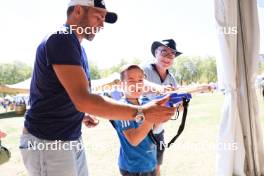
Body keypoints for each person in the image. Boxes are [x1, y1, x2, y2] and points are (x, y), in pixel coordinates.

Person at [19, 1, 176, 176]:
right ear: (78, 10)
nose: (102, 24)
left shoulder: (75, 46)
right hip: (47, 141)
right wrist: (142, 112)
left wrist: (80, 114)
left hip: (68, 138)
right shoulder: (62, 37)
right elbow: (84, 100)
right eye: (98, 16)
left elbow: (61, 95)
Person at [142, 39, 182, 176]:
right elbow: (136, 86)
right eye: (163, 52)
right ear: (155, 53)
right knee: (141, 168)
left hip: (158, 130)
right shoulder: (144, 71)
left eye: (171, 55)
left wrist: (181, 103)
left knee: (157, 165)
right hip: (141, 130)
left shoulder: (171, 78)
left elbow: (178, 105)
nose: (167, 58)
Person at [112, 65, 159, 176]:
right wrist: (152, 116)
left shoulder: (146, 101)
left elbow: (155, 129)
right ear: (122, 85)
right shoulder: (121, 107)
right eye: (131, 80)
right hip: (134, 168)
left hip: (150, 162)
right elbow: (134, 139)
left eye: (140, 80)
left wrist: (178, 105)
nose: (136, 84)